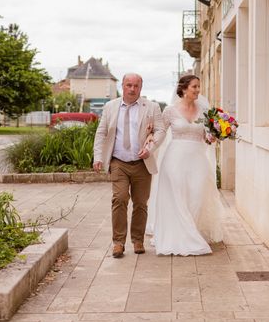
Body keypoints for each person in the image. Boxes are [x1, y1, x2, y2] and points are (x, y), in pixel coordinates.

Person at [147, 74, 224, 256]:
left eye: (199, 86)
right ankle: (181, 237)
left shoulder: (205, 111)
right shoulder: (170, 111)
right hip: (175, 160)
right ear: (183, 89)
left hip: (197, 160)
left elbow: (207, 137)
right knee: (177, 196)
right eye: (194, 87)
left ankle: (192, 232)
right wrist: (150, 141)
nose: (198, 90)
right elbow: (161, 132)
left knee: (196, 196)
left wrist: (213, 136)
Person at [93, 73, 165, 258]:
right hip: (119, 162)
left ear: (141, 88)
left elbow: (160, 130)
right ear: (123, 86)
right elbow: (101, 133)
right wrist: (98, 157)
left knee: (141, 203)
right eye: (128, 85)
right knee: (119, 198)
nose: (132, 89)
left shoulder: (151, 107)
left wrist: (151, 147)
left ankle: (138, 239)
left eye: (136, 86)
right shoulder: (110, 107)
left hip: (142, 163)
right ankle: (118, 242)